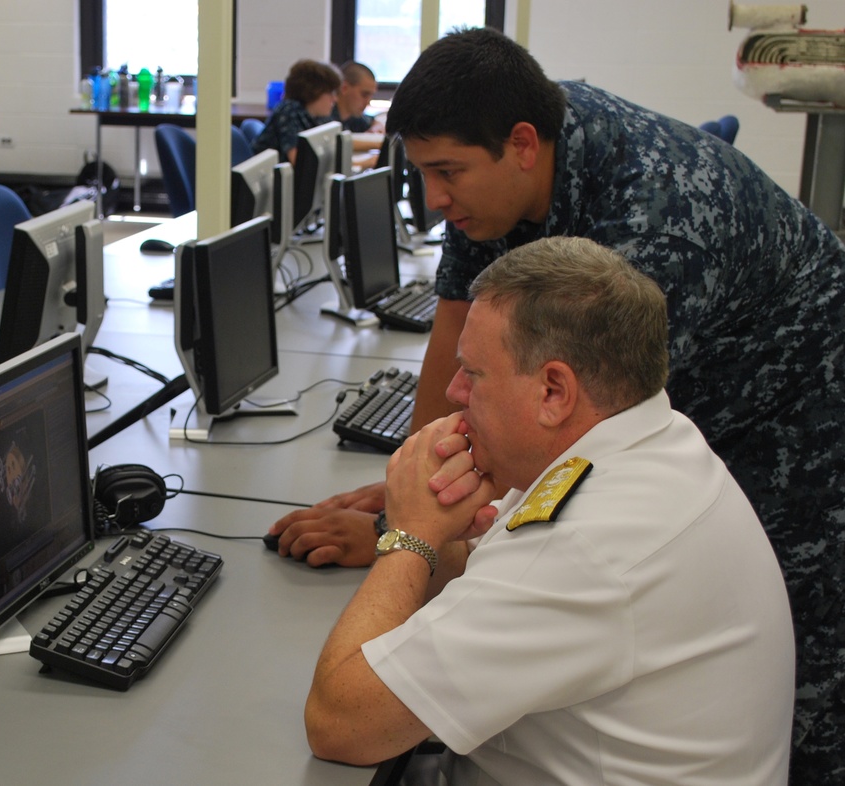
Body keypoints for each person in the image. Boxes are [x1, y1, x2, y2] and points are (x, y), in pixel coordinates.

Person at [275, 27, 845, 781]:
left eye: (446, 173)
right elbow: (462, 333)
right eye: (422, 174)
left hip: (801, 412)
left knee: (792, 679)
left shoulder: (655, 211)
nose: (435, 199)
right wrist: (418, 485)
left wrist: (400, 540)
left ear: (520, 145)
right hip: (653, 437)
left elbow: (574, 412)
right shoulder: (499, 168)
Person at [305, 237, 796, 784]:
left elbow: (342, 726)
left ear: (554, 392)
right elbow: (493, 575)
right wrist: (441, 542)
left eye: (474, 373)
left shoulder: (586, 549)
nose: (453, 389)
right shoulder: (642, 441)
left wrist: (409, 536)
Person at [251, 59, 340, 166]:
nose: (335, 99)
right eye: (330, 93)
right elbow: (299, 164)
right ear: (313, 91)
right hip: (274, 179)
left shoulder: (316, 115)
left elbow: (335, 144)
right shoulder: (289, 110)